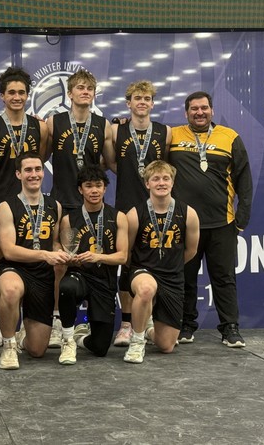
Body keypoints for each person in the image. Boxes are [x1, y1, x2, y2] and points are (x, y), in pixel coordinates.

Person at [169, 91, 252, 347]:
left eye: (204, 108)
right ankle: (185, 325)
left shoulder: (230, 137)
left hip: (222, 223)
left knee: (224, 278)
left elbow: (244, 181)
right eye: (194, 109)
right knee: (185, 277)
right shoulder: (173, 135)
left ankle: (230, 328)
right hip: (184, 223)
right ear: (186, 112)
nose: (199, 112)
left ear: (212, 110)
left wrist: (241, 220)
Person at [0, 66, 48, 348]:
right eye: (11, 92)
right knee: (0, 260)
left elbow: (40, 160)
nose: (16, 97)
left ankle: (32, 322)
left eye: (21, 92)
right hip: (0, 203)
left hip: (31, 203)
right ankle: (2, 324)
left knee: (33, 259)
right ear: (2, 96)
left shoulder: (40, 127)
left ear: (28, 95)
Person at [46, 68, 115, 348]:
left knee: (94, 261)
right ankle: (57, 321)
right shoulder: (54, 122)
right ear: (70, 93)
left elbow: (110, 162)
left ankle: (89, 320)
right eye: (80, 88)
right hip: (64, 204)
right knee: (62, 263)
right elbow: (38, 157)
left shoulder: (103, 124)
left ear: (94, 93)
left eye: (89, 88)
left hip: (92, 204)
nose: (85, 92)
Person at [111, 81, 171, 347]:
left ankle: (147, 321)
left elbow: (164, 167)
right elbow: (111, 162)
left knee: (154, 260)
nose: (142, 102)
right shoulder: (116, 130)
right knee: (126, 263)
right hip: (126, 205)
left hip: (155, 207)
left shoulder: (164, 132)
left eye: (147, 98)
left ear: (152, 103)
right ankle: (126, 323)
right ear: (129, 103)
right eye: (137, 98)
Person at [0, 152, 69, 369]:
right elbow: (8, 250)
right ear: (18, 174)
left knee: (37, 350)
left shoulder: (54, 206)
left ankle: (22, 338)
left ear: (43, 172)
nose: (33, 174)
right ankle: (8, 346)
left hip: (41, 274)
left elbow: (53, 242)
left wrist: (61, 253)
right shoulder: (7, 206)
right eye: (28, 170)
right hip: (15, 268)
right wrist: (45, 255)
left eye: (38, 169)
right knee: (10, 290)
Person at [124, 160, 199, 364]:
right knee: (147, 289)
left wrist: (170, 265)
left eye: (166, 178)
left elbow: (191, 250)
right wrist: (143, 269)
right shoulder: (135, 214)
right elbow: (127, 252)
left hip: (172, 277)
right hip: (143, 271)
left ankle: (148, 329)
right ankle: (137, 342)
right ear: (147, 183)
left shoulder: (188, 213)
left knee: (166, 346)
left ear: (172, 183)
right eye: (156, 179)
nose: (161, 183)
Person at [58, 165, 128, 365]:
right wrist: (71, 258)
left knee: (100, 348)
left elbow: (122, 257)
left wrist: (98, 257)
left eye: (98, 185)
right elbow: (68, 252)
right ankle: (67, 340)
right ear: (80, 189)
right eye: (88, 186)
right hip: (80, 276)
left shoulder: (118, 217)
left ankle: (80, 338)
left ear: (105, 188)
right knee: (66, 287)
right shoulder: (69, 219)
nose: (94, 190)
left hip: (104, 280)